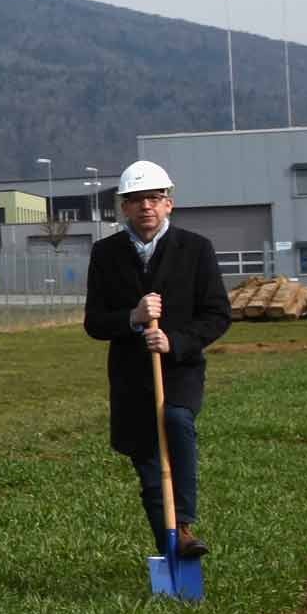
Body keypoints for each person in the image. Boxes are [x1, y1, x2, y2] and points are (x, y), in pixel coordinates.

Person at [83, 158, 230, 562]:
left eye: (155, 198)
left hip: (179, 369)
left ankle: (183, 524)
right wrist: (132, 317)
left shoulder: (196, 250)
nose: (146, 206)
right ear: (124, 207)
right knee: (148, 464)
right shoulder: (106, 254)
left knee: (177, 421)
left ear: (169, 204)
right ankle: (170, 548)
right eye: (136, 199)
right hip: (132, 379)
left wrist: (175, 342)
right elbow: (94, 322)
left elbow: (218, 315)